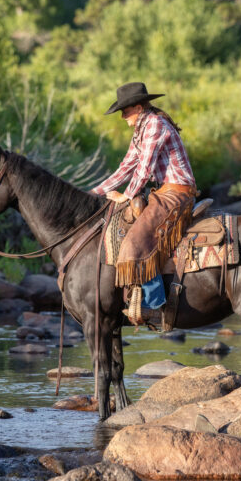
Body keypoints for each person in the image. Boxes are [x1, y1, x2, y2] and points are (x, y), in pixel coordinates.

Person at [91, 82, 197, 325]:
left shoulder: (155, 125)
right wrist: (94, 193)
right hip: (163, 193)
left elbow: (144, 167)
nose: (122, 117)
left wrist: (127, 196)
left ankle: (154, 304)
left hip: (176, 193)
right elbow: (126, 166)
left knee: (136, 241)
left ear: (138, 107)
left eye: (125, 111)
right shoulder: (142, 128)